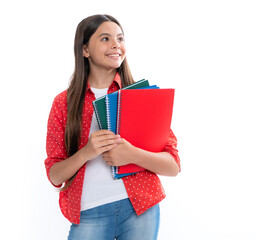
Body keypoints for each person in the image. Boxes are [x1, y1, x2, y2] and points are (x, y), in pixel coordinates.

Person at [44, 14, 180, 240]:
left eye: (120, 38)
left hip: (140, 208)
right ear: (85, 50)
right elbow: (54, 174)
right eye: (105, 38)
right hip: (89, 213)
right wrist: (87, 152)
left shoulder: (141, 97)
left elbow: (173, 166)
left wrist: (130, 154)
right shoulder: (64, 103)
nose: (116, 45)